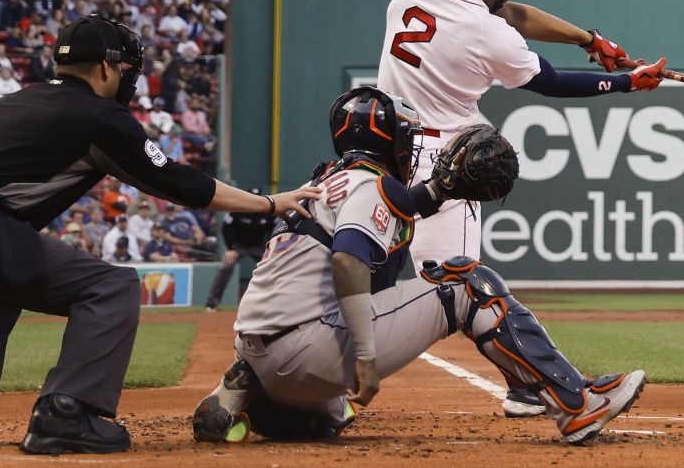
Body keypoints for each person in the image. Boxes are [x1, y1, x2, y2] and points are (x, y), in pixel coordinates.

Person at [0, 17, 319, 455]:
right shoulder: (101, 117)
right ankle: (66, 412)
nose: (130, 79)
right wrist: (270, 202)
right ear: (105, 69)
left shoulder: (8, 102)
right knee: (110, 286)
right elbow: (179, 183)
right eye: (128, 70)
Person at [190, 88, 645, 446]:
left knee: (330, 416)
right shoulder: (372, 184)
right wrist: (366, 358)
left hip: (259, 351)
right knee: (466, 280)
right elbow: (348, 256)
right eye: (406, 136)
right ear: (390, 140)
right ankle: (576, 403)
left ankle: (251, 396)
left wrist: (441, 190)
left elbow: (396, 209)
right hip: (310, 352)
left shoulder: (322, 184)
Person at [370, 0, 664, 418]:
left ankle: (525, 386)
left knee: (384, 272)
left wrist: (589, 39)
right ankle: (566, 397)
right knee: (467, 283)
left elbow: (511, 15)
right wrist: (625, 83)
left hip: (382, 151)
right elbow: (550, 83)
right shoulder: (487, 33)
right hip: (445, 164)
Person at [202, 201, 275, 313]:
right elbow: (225, 229)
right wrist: (230, 248)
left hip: (258, 247)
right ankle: (211, 304)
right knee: (225, 267)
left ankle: (272, 304)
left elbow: (273, 231)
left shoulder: (266, 212)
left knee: (273, 267)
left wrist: (269, 247)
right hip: (238, 247)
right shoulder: (237, 211)